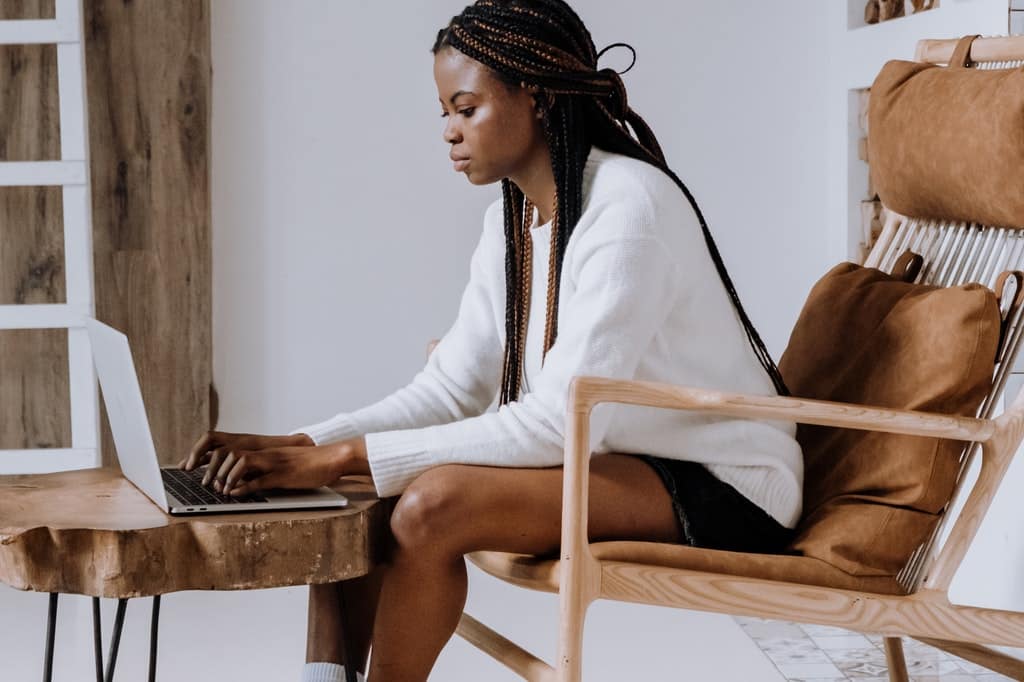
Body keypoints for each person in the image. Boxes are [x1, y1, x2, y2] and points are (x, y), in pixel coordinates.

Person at [181, 1, 804, 680]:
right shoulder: (513, 222)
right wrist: (306, 447)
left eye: (466, 108)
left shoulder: (628, 207)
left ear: (532, 97)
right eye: (444, 112)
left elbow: (560, 425)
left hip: (726, 484)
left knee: (431, 505)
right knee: (364, 491)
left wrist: (337, 456)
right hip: (629, 455)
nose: (448, 131)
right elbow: (453, 388)